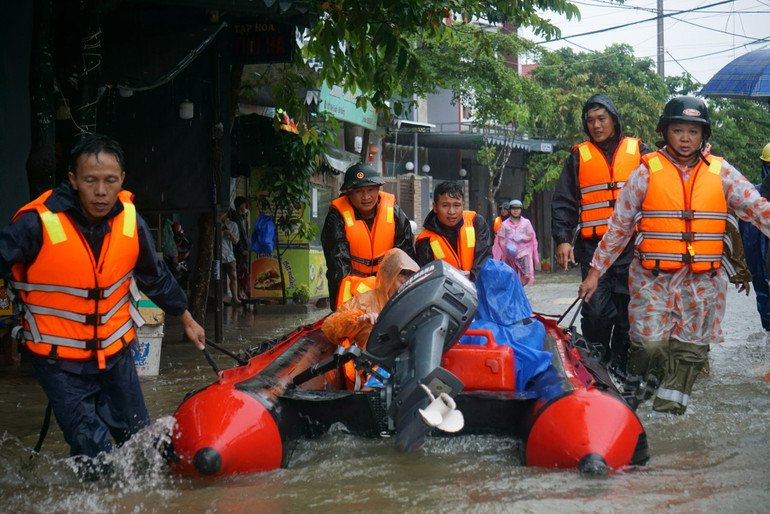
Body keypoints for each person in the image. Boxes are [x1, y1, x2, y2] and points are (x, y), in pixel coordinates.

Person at [0, 134, 206, 463]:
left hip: (116, 355)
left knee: (141, 443)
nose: (100, 191)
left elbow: (155, 276)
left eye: (110, 181)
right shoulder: (36, 223)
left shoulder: (130, 222)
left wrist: (186, 318)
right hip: (59, 362)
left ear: (122, 179)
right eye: (90, 181)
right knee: (92, 449)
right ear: (73, 180)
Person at [578, 96, 770, 415]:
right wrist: (594, 272)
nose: (685, 138)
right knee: (650, 347)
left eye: (693, 132)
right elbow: (619, 226)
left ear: (703, 136)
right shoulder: (646, 172)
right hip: (655, 280)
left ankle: (669, 420)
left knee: (690, 356)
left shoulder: (721, 173)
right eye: (678, 130)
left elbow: (759, 210)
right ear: (665, 133)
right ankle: (631, 403)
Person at [551, 93, 654, 374]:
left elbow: (660, 194)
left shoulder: (641, 152)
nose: (596, 125)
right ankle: (598, 366)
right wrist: (562, 238)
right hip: (593, 249)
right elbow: (564, 202)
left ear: (614, 120)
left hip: (633, 247)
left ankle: (621, 369)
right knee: (596, 311)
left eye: (601, 119)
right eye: (590, 121)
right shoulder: (578, 156)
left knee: (627, 315)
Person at [321, 163, 415, 310]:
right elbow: (338, 267)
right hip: (353, 291)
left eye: (371, 190)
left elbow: (406, 258)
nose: (366, 197)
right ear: (348, 192)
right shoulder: (336, 217)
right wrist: (346, 310)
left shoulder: (394, 213)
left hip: (387, 289)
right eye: (359, 191)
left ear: (378, 188)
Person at [322, 248, 419, 349]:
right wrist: (359, 319)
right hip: (369, 361)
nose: (407, 289)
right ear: (388, 278)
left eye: (411, 284)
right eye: (403, 283)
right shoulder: (363, 302)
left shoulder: (416, 305)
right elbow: (330, 329)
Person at [415, 181, 492, 280]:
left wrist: (472, 286)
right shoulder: (425, 240)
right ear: (435, 207)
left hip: (478, 287)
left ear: (462, 205)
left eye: (456, 205)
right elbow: (427, 279)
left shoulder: (476, 222)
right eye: (445, 206)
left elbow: (484, 257)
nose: (451, 212)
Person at [739, 142, 770, 331]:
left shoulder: (751, 194)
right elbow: (745, 236)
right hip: (760, 261)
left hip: (759, 262)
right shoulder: (753, 195)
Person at [493, 199, 539, 285]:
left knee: (527, 275)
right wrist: (506, 251)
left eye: (517, 208)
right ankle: (514, 291)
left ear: (521, 210)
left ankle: (520, 287)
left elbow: (531, 236)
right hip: (509, 255)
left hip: (523, 253)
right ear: (510, 210)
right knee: (510, 277)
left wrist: (522, 238)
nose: (515, 211)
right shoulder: (504, 225)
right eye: (513, 209)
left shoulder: (526, 223)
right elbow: (500, 240)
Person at [230, 196, 250, 301]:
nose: (245, 206)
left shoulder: (241, 217)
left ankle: (240, 293)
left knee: (242, 271)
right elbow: (238, 236)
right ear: (240, 205)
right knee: (239, 272)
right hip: (239, 250)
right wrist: (242, 250)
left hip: (243, 249)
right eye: (243, 204)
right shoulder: (235, 218)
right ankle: (238, 294)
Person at [221, 211, 240, 306]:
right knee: (218, 278)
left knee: (233, 276)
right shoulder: (216, 224)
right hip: (217, 257)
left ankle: (235, 298)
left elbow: (235, 240)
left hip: (229, 256)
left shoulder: (233, 225)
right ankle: (219, 298)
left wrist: (229, 233)